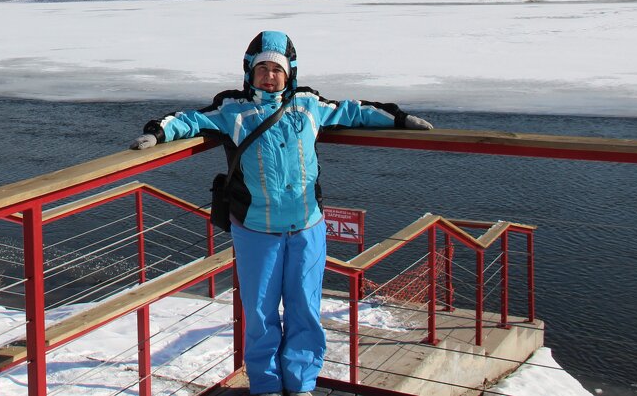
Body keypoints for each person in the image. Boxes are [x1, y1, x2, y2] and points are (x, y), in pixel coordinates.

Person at [128, 30, 432, 396]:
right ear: (248, 73)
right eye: (262, 69)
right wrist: (158, 133)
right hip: (256, 230)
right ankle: (267, 385)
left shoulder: (308, 104)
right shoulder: (232, 109)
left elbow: (354, 111)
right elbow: (189, 120)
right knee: (259, 314)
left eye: (277, 69)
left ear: (290, 74)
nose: (269, 76)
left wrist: (398, 119)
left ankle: (301, 384)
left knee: (305, 309)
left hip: (306, 227)